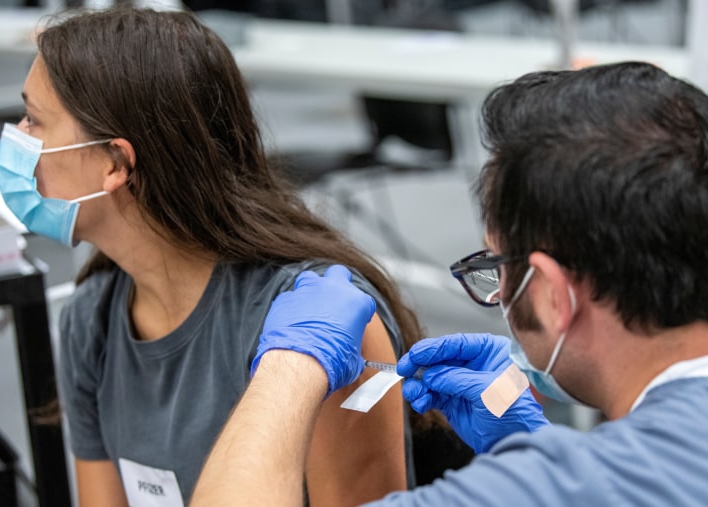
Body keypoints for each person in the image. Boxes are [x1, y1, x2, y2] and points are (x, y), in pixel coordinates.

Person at [191, 61, 708, 506]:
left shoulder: (551, 487)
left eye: (499, 265)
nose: (497, 291)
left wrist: (290, 365)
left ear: (553, 294)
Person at [0, 7, 449, 506]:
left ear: (115, 163)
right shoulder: (92, 320)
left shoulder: (325, 327)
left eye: (34, 120)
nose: (16, 138)